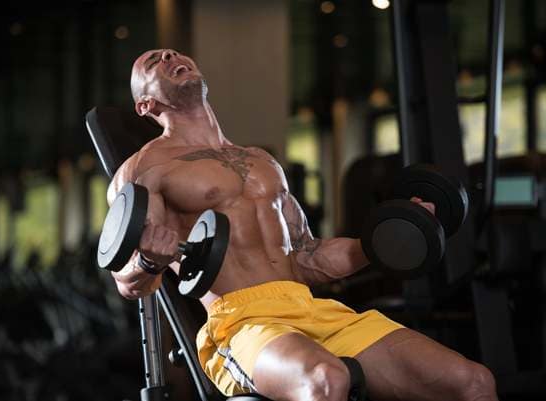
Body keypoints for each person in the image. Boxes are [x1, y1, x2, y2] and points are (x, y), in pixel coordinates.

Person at [108, 49, 498, 401]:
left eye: (172, 53)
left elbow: (309, 258)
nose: (169, 56)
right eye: (154, 61)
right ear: (145, 104)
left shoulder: (262, 161)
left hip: (311, 308)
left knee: (473, 382)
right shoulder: (145, 169)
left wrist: (391, 235)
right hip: (242, 325)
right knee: (325, 380)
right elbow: (125, 281)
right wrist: (149, 261)